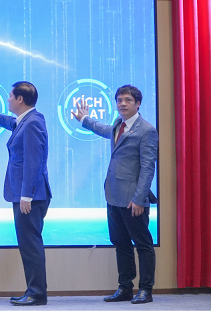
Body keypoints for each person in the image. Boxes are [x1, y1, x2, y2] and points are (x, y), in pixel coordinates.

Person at [73, 85, 158, 305]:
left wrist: (139, 198)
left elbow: (148, 167)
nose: (122, 104)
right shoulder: (119, 124)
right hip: (113, 195)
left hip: (133, 200)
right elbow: (104, 129)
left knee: (143, 244)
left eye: (127, 100)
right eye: (119, 100)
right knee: (121, 243)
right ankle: (125, 288)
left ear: (138, 104)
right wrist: (85, 119)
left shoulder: (147, 130)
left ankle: (146, 290)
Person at [0, 81, 51, 306]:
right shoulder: (26, 120)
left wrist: (27, 194)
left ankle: (36, 293)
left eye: (10, 96)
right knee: (28, 244)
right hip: (26, 194)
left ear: (20, 99)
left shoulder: (33, 123)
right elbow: (10, 122)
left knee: (30, 245)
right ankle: (33, 290)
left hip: (30, 197)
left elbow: (34, 161)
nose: (7, 99)